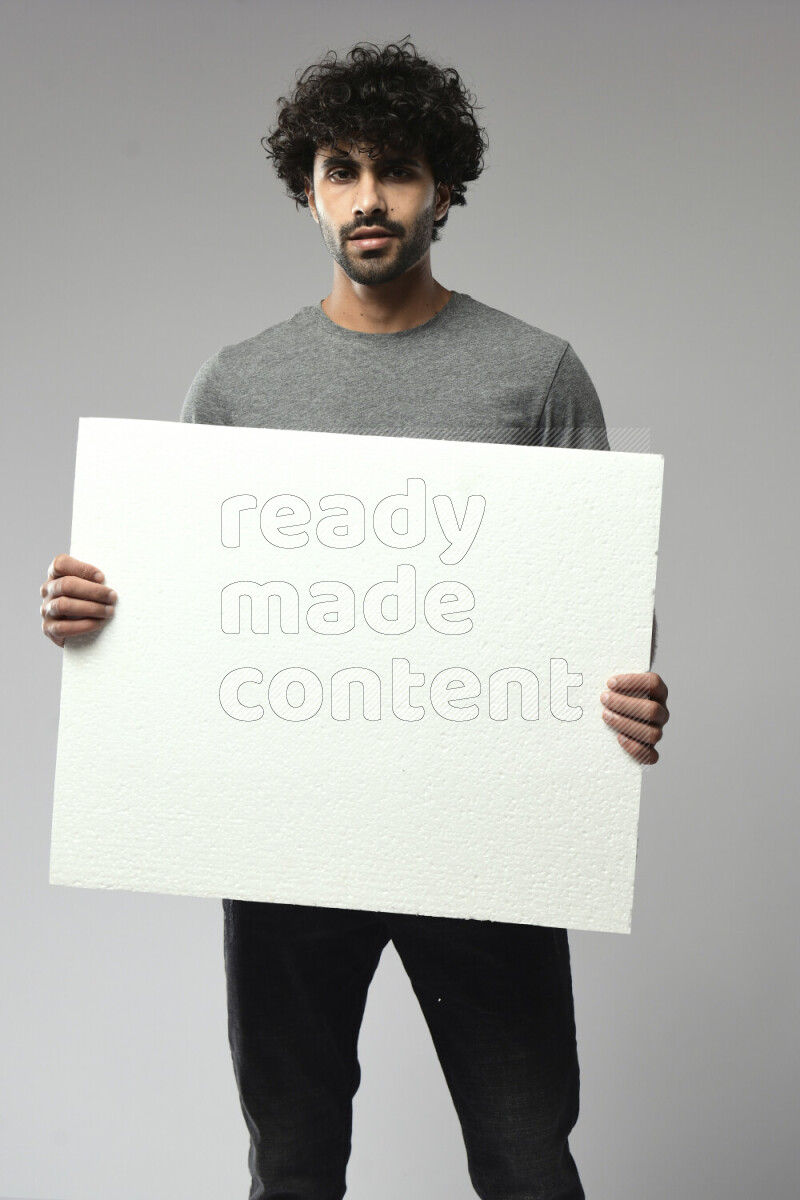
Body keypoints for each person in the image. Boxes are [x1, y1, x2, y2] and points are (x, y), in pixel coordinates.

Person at [40, 39, 670, 1200]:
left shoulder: (534, 374)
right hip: (286, 842)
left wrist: (629, 693)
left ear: (444, 189)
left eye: (397, 170)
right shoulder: (236, 385)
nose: (368, 198)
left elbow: (603, 619)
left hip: (484, 842)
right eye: (341, 170)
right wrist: (92, 615)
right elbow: (176, 608)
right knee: (292, 1161)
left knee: (529, 1158)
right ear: (306, 188)